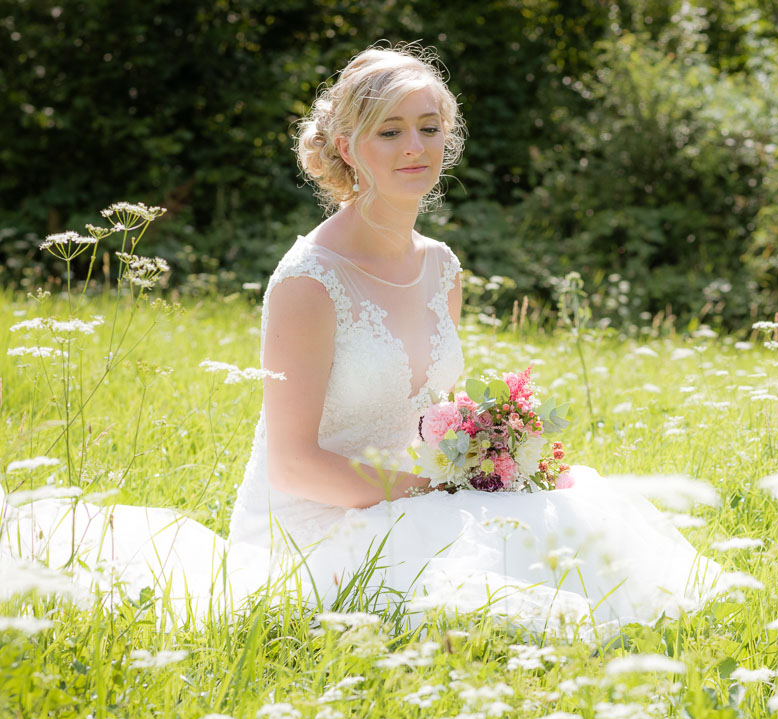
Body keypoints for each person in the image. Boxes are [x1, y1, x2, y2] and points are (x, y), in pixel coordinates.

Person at [3, 45, 730, 633]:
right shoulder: (308, 282)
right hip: (317, 523)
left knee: (566, 514)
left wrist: (487, 455)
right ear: (348, 147)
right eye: (390, 131)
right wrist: (431, 491)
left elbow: (431, 417)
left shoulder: (442, 268)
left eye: (429, 127)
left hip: (415, 495)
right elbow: (293, 466)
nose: (415, 146)